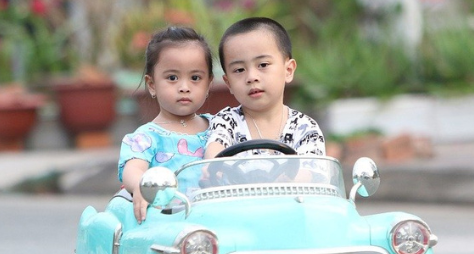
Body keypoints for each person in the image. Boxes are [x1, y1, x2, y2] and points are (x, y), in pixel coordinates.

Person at [118, 26, 214, 223]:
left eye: (195, 78)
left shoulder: (220, 127)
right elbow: (133, 170)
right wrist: (140, 186)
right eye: (172, 78)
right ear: (152, 84)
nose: (184, 87)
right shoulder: (146, 138)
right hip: (166, 225)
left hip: (217, 221)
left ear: (208, 84)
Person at [205, 17, 326, 159]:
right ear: (228, 83)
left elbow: (311, 173)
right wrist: (213, 167)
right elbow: (213, 157)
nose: (251, 77)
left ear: (288, 70)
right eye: (239, 70)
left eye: (263, 65)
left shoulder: (305, 127)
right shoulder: (226, 122)